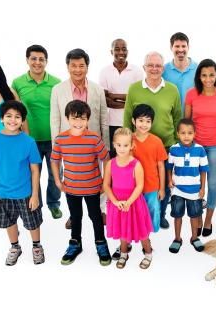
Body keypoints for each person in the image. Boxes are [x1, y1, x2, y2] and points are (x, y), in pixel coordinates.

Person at [50, 48, 109, 229]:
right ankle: (74, 214)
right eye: (73, 66)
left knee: (97, 175)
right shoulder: (58, 90)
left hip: (94, 142)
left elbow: (103, 118)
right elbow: (55, 119)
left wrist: (105, 143)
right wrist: (57, 146)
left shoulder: (97, 89)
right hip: (69, 144)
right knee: (73, 176)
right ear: (68, 67)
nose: (77, 69)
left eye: (81, 65)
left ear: (87, 67)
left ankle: (99, 210)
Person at [123, 51, 182, 229]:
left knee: (163, 182)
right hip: (138, 146)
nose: (154, 69)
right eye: (150, 65)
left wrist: (178, 142)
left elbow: (177, 117)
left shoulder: (172, 89)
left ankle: (160, 214)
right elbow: (127, 118)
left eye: (157, 66)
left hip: (166, 145)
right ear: (144, 67)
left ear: (163, 69)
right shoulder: (134, 89)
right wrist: (127, 142)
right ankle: (138, 215)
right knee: (139, 181)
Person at [0, 101, 43, 266]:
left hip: (26, 192)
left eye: (17, 117)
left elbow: (35, 170)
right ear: (1, 118)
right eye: (8, 116)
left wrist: (35, 195)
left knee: (32, 222)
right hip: (3, 193)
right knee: (9, 221)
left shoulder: (28, 142)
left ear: (22, 121)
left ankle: (37, 246)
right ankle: (15, 247)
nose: (13, 120)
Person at [51, 100, 111, 266]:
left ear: (87, 120)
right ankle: (75, 243)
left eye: (82, 119)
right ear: (67, 119)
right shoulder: (61, 139)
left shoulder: (93, 138)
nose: (78, 122)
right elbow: (54, 161)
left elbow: (106, 159)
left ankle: (101, 243)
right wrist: (57, 180)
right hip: (71, 188)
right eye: (74, 118)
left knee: (96, 216)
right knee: (76, 217)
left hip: (93, 187)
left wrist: (105, 181)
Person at [110, 104, 168, 261]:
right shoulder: (128, 140)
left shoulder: (156, 141)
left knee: (148, 216)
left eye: (148, 121)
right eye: (140, 120)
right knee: (128, 216)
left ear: (152, 123)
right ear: (133, 121)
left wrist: (162, 188)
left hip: (150, 187)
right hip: (129, 190)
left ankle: (145, 242)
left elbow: (161, 165)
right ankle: (126, 242)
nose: (144, 124)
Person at [12, 45, 63, 220]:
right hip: (28, 139)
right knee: (32, 174)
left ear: (46, 62)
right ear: (27, 60)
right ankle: (37, 204)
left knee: (55, 173)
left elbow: (62, 110)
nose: (37, 62)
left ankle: (54, 203)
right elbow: (13, 111)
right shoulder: (18, 83)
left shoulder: (56, 82)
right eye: (33, 58)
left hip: (53, 138)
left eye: (41, 59)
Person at [184, 59, 216, 237]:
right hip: (195, 146)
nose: (208, 78)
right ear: (199, 76)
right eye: (204, 75)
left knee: (212, 183)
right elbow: (186, 122)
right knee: (195, 183)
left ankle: (209, 218)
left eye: (211, 74)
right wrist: (186, 147)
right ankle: (198, 218)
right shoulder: (191, 94)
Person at [104, 127, 154, 269]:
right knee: (122, 228)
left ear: (132, 146)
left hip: (133, 202)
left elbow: (140, 185)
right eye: (119, 145)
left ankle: (148, 253)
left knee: (142, 230)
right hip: (117, 202)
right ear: (114, 144)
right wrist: (115, 201)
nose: (122, 148)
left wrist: (129, 202)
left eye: (126, 145)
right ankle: (124, 253)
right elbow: (106, 185)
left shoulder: (136, 164)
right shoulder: (110, 164)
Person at [166, 119, 209, 253]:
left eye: (190, 133)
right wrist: (169, 180)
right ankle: (177, 239)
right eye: (183, 133)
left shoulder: (200, 150)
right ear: (178, 134)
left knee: (194, 215)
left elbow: (203, 170)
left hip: (194, 190)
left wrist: (202, 188)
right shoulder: (173, 149)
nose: (186, 136)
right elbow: (169, 167)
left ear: (194, 134)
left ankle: (194, 238)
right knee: (177, 215)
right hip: (178, 189)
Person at [99, 38, 143, 158]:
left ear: (127, 51)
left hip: (131, 122)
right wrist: (128, 100)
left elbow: (138, 98)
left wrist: (113, 96)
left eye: (124, 49)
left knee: (132, 156)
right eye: (117, 49)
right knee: (114, 156)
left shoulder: (137, 71)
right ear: (111, 51)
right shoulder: (104, 72)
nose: (121, 52)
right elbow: (105, 100)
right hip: (112, 122)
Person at [162, 32, 197, 112]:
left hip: (192, 121)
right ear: (171, 47)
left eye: (183, 46)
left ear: (188, 47)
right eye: (177, 46)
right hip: (170, 120)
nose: (181, 50)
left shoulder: (198, 69)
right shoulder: (163, 70)